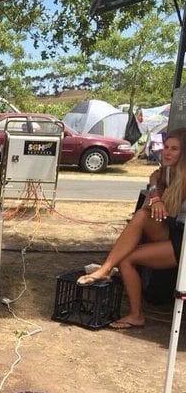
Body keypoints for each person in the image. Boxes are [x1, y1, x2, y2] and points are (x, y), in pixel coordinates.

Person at [77, 128, 186, 329]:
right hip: (173, 231)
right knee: (141, 220)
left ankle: (107, 269)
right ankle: (134, 312)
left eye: (174, 149)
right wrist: (155, 196)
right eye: (166, 147)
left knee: (132, 247)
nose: (167, 152)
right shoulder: (169, 170)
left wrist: (157, 199)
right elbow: (155, 178)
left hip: (184, 242)